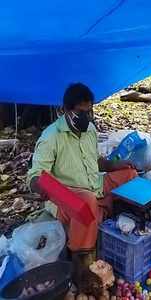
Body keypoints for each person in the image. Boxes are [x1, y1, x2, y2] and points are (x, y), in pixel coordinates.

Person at [27, 83, 137, 291]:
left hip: (94, 184)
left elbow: (96, 161)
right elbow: (35, 176)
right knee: (86, 202)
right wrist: (42, 188)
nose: (87, 116)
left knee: (130, 175)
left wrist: (116, 165)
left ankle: (114, 219)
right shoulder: (51, 137)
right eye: (82, 112)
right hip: (68, 194)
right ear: (65, 110)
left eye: (90, 111)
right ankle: (81, 264)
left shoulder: (90, 130)